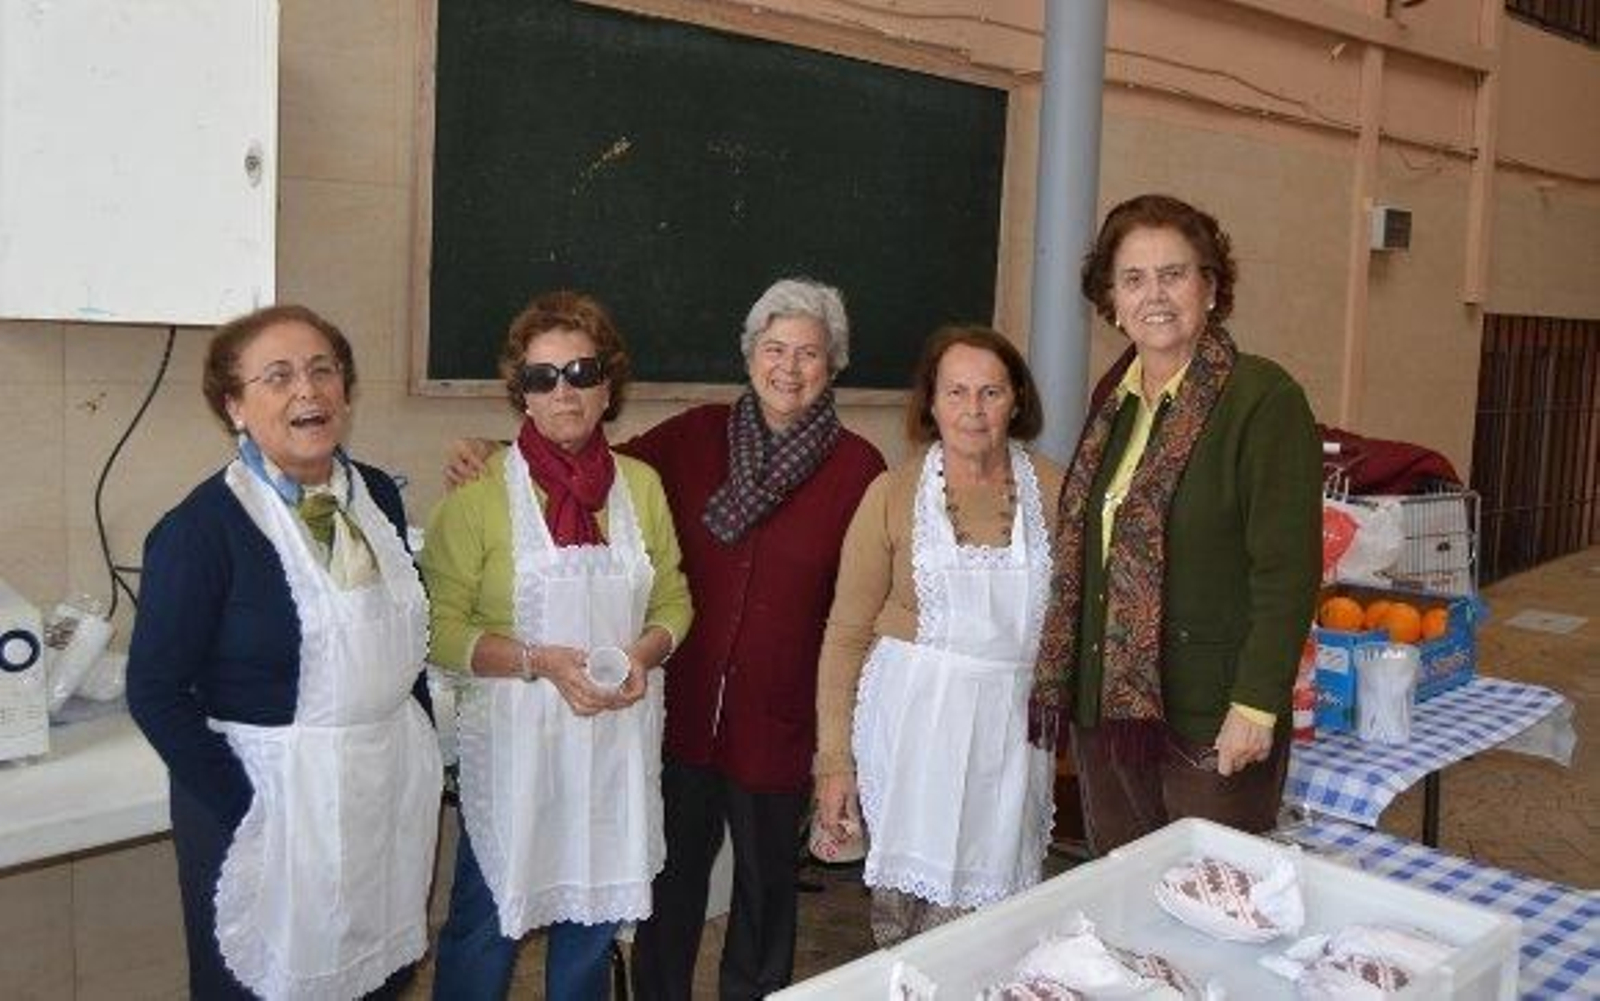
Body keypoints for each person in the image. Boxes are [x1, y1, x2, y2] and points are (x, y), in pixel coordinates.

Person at [447, 278, 886, 999]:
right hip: (677, 709)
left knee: (767, 888)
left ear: (833, 365)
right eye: (774, 348)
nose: (789, 366)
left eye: (809, 353)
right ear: (750, 355)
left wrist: (840, 741)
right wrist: (488, 450)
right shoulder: (693, 437)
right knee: (669, 884)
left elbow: (861, 605)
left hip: (779, 716)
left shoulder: (858, 468)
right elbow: (585, 461)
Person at [127, 304, 442, 999]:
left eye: (322, 369)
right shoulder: (201, 529)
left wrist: (419, 747)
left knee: (379, 975)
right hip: (275, 805)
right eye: (278, 376)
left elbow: (396, 639)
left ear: (345, 391)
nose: (308, 389)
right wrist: (249, 807)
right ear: (235, 407)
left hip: (380, 792)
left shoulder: (375, 496)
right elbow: (154, 692)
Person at [1029, 193, 1322, 855]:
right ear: (1111, 299)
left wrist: (1255, 703)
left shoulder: (1262, 398)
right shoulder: (1117, 402)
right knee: (1125, 895)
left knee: (1212, 901)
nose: (1153, 295)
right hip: (1109, 712)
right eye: (1133, 279)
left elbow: (1287, 571)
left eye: (1174, 274)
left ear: (1211, 287)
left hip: (1211, 718)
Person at [421, 290, 692, 1001]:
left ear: (608, 385)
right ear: (523, 395)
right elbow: (438, 628)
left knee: (593, 922)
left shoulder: (641, 487)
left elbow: (673, 599)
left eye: (580, 370)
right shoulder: (478, 495)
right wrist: (538, 660)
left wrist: (644, 653)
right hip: (514, 751)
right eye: (542, 377)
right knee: (486, 923)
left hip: (613, 747)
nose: (563, 390)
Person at [812, 325, 1064, 947]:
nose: (972, 412)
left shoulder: (1057, 492)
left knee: (995, 929)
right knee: (908, 927)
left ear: (1017, 401)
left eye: (990, 393)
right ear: (930, 401)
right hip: (911, 737)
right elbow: (845, 635)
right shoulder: (893, 494)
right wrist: (835, 763)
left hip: (1010, 737)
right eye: (955, 393)